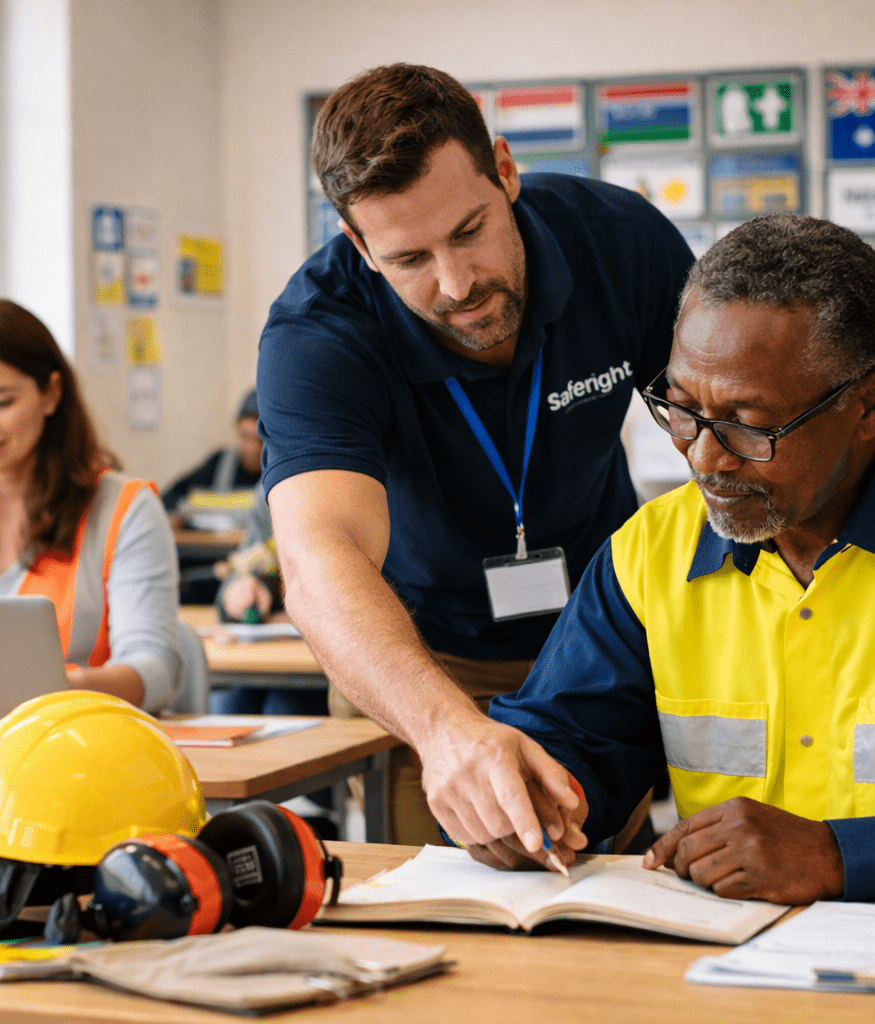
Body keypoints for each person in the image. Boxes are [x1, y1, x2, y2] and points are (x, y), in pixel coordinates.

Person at [482, 214, 875, 904]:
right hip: (721, 972)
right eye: (683, 408)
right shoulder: (649, 552)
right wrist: (525, 796)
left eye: (749, 424)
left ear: (869, 404)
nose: (703, 458)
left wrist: (838, 855)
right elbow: (571, 740)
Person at [257, 63, 694, 844]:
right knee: (444, 919)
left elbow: (727, 439)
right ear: (358, 244)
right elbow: (319, 556)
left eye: (468, 232)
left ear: (504, 169)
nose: (456, 285)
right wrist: (445, 730)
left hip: (599, 642)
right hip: (418, 655)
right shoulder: (317, 333)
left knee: (605, 905)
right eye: (409, 261)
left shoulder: (620, 245)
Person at [0, 299, 182, 712]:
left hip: (78, 753)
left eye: (1, 401)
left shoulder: (124, 509)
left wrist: (58, 689)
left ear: (51, 394)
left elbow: (157, 669)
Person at [209, 483, 328, 718]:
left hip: (327, 663)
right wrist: (240, 592)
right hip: (280, 656)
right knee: (227, 704)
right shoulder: (273, 488)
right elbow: (246, 566)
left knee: (284, 707)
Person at [161, 388, 263, 519]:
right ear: (237, 428)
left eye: (260, 440)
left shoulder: (279, 473)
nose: (253, 448)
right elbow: (171, 495)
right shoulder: (221, 463)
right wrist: (177, 515)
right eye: (245, 436)